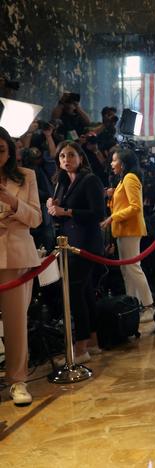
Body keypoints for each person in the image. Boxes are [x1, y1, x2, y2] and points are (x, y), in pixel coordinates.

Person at [47, 141, 105, 364]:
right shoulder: (61, 183)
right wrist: (53, 208)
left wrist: (68, 211)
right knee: (86, 291)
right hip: (70, 243)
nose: (66, 160)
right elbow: (58, 216)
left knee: (74, 292)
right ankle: (92, 341)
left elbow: (98, 213)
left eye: (71, 155)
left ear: (80, 158)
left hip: (86, 244)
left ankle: (80, 348)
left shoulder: (89, 180)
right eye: (62, 156)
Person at [0, 127, 42, 406]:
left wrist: (13, 202)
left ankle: (18, 381)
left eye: (1, 150)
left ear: (10, 150)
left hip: (16, 255)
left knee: (16, 323)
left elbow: (36, 218)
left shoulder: (26, 176)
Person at [100, 148, 155, 322]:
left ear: (123, 163)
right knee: (127, 269)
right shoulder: (124, 179)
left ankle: (148, 305)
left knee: (132, 268)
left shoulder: (130, 178)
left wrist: (112, 217)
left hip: (130, 229)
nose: (111, 163)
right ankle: (134, 305)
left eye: (114, 160)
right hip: (125, 230)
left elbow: (135, 206)